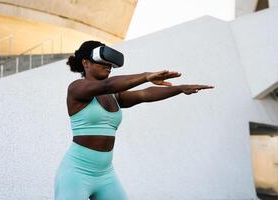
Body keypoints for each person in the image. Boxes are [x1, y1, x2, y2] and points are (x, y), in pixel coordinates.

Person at [54, 40, 214, 200]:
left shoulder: (114, 96)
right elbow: (107, 85)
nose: (108, 66)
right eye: (103, 61)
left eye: (110, 63)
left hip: (105, 174)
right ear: (86, 63)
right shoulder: (76, 88)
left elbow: (145, 94)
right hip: (76, 173)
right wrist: (146, 76)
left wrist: (179, 88)